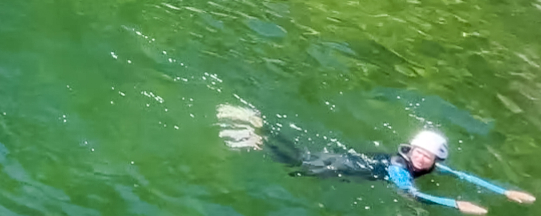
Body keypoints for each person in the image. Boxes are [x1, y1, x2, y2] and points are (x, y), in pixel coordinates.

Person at [218, 104, 535, 214]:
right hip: (355, 167)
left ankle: (260, 129)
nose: (424, 161)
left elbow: (467, 178)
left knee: (302, 158)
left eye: (429, 157)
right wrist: (456, 205)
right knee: (299, 163)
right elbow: (414, 194)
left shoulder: (431, 164)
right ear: (412, 151)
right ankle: (258, 138)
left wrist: (505, 192)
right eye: (420, 154)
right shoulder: (401, 169)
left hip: (362, 165)